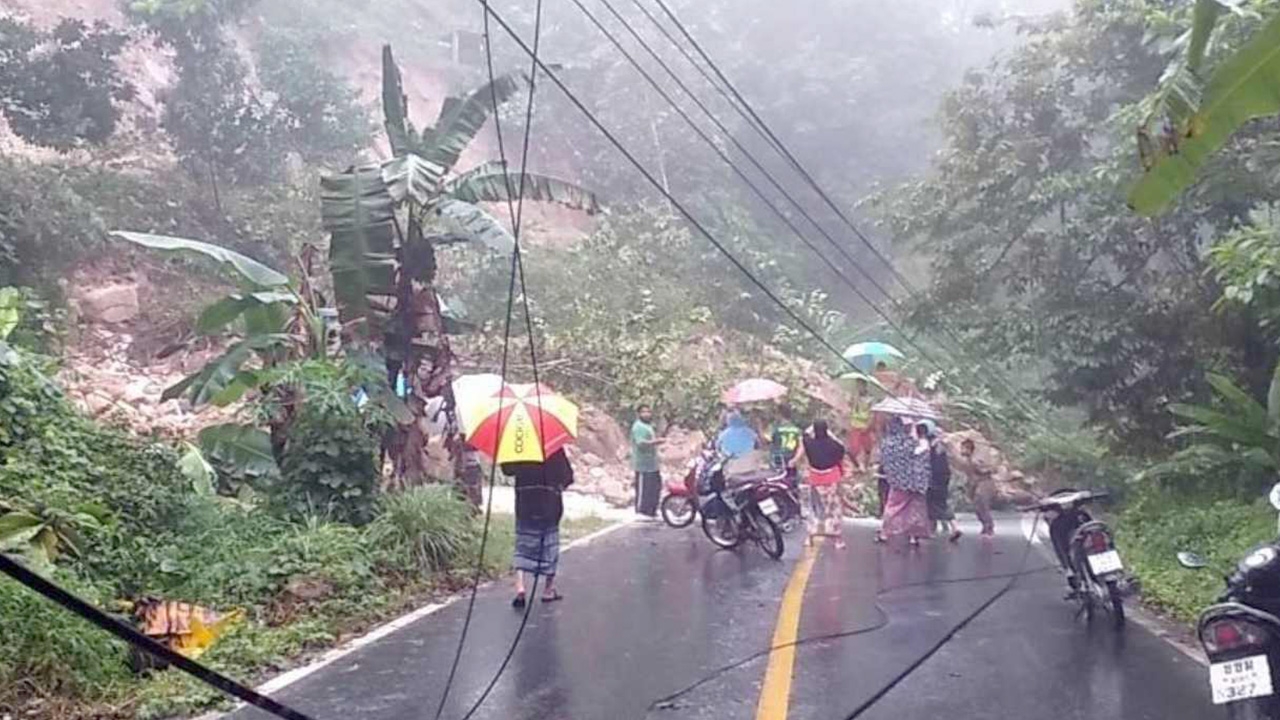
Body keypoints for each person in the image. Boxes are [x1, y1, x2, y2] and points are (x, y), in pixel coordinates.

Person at [502, 449, 574, 607]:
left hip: (525, 502)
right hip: (550, 504)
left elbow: (507, 470)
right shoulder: (554, 448)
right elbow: (568, 477)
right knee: (549, 543)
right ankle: (548, 590)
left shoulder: (518, 446)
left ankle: (520, 587)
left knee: (522, 543)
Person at [877, 415, 932, 547]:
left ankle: (886, 532)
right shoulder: (909, 442)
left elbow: (884, 462)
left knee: (893, 507)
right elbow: (921, 453)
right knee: (915, 508)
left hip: (896, 481)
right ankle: (913, 536)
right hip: (915, 481)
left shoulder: (886, 443)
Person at [802, 420, 847, 549]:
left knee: (813, 508)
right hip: (832, 478)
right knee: (834, 508)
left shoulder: (809, 444)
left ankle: (809, 537)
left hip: (815, 479)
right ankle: (838, 540)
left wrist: (810, 429)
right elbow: (841, 449)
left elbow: (804, 434)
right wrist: (831, 435)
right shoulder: (834, 446)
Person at [922, 422, 961, 542]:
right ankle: (954, 527)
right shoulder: (943, 442)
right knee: (941, 502)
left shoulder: (929, 443)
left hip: (933, 476)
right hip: (944, 476)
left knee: (931, 503)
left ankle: (932, 530)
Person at [630, 405, 664, 520]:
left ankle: (651, 511)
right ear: (639, 414)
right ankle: (642, 511)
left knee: (654, 487)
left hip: (652, 464)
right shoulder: (638, 427)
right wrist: (656, 442)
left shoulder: (647, 426)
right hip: (643, 464)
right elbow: (640, 443)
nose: (647, 414)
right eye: (644, 412)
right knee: (643, 488)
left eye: (648, 412)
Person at [960, 438, 997, 537]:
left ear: (969, 449)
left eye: (963, 448)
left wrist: (982, 470)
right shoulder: (967, 461)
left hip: (984, 484)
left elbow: (986, 471)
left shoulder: (975, 461)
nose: (961, 450)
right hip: (975, 485)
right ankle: (985, 525)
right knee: (977, 508)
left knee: (983, 506)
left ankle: (989, 527)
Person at [769, 405, 803, 486]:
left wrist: (759, 426)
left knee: (776, 483)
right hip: (791, 459)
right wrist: (795, 459)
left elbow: (766, 441)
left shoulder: (776, 430)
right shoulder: (797, 430)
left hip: (778, 459)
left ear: (779, 415)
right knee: (792, 483)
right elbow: (801, 447)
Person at [847, 378, 875, 472]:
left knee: (868, 449)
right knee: (852, 450)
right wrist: (853, 400)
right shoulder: (855, 397)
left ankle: (866, 467)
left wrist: (869, 425)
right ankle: (857, 466)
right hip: (855, 426)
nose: (859, 387)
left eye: (860, 385)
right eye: (857, 385)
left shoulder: (870, 398)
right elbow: (850, 408)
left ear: (865, 386)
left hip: (865, 426)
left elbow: (872, 413)